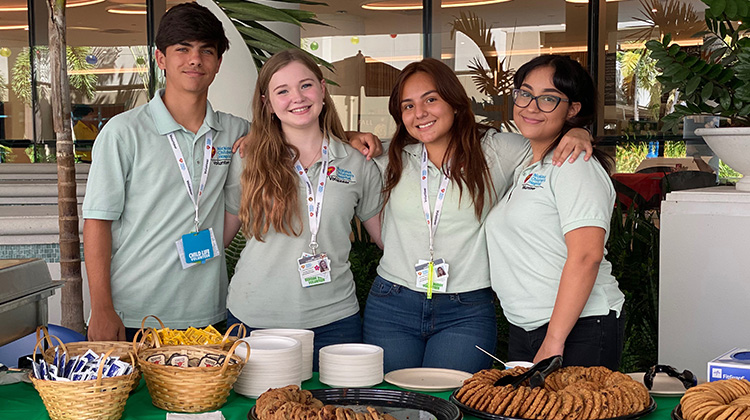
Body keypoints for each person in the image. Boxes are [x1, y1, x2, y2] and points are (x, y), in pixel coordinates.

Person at [362, 58, 594, 373]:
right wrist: (351, 135)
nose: (420, 113)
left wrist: (579, 131)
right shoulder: (393, 156)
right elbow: (332, 150)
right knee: (392, 403)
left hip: (465, 309)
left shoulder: (497, 151)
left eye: (431, 99)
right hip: (393, 304)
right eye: (407, 106)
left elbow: (547, 140)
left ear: (455, 102)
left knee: (454, 402)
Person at [82, 3, 249, 341]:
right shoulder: (123, 132)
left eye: (206, 51)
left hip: (208, 315)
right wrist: (101, 308)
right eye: (182, 49)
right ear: (161, 59)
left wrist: (347, 137)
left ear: (218, 62)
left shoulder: (235, 133)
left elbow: (297, 137)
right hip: (135, 315)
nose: (195, 60)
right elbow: (97, 222)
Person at [223, 50, 383, 371]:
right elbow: (219, 238)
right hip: (255, 320)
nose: (296, 97)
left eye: (306, 85)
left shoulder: (356, 163)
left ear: (322, 90)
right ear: (267, 102)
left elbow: (387, 240)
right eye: (282, 91)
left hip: (335, 320)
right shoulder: (247, 158)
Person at [486, 55, 626, 370]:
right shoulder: (528, 164)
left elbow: (586, 256)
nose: (531, 106)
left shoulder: (574, 165)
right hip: (530, 327)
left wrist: (554, 340)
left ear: (573, 109)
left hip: (577, 329)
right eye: (525, 93)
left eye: (548, 98)